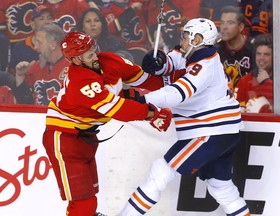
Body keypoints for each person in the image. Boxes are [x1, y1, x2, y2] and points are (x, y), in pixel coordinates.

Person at [118, 18, 250, 216]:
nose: (182, 40)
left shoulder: (204, 65)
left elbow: (176, 93)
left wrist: (141, 99)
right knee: (220, 187)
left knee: (160, 172)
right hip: (223, 133)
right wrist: (160, 62)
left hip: (209, 132)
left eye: (186, 36)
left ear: (198, 39)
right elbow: (171, 62)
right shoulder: (193, 54)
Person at [42, 31, 172, 216]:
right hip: (64, 140)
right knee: (84, 203)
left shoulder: (110, 61)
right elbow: (118, 108)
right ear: (77, 60)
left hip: (85, 137)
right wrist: (152, 114)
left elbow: (146, 81)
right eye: (89, 54)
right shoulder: (81, 82)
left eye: (93, 49)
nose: (95, 55)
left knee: (88, 198)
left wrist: (167, 73)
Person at [14, 23, 69, 105]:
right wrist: (20, 75)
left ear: (52, 45)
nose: (35, 47)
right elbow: (25, 103)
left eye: (39, 42)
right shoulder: (35, 67)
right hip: (37, 117)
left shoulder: (76, 68)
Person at [235, 33, 280, 113]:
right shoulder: (245, 81)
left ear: (275, 56)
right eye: (258, 54)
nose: (261, 58)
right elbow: (237, 112)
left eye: (266, 54)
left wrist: (266, 82)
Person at [101, 0, 151, 65]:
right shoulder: (108, 9)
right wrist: (131, 10)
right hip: (125, 50)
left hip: (146, 46)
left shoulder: (137, 2)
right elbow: (113, 28)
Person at [216, 6, 254, 90]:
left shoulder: (253, 48)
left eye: (230, 23)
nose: (224, 27)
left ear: (241, 27)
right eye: (222, 23)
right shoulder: (217, 49)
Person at [9, 5, 54, 75]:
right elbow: (13, 75)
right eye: (41, 19)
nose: (47, 22)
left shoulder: (58, 46)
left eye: (49, 18)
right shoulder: (19, 47)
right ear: (32, 24)